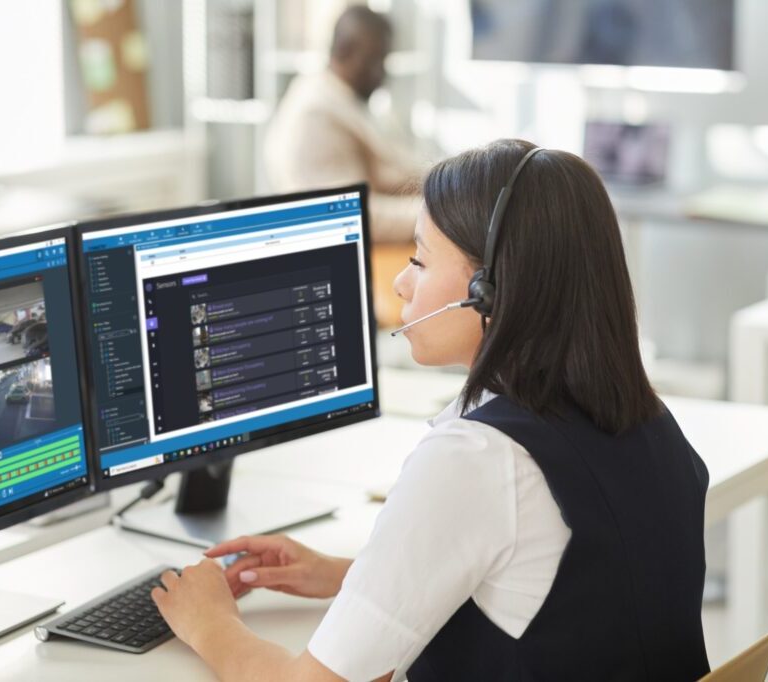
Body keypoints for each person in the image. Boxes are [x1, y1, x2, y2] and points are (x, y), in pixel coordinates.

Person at [150, 139, 711, 681]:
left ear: (487, 289)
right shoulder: (649, 421)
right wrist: (349, 579)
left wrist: (211, 622)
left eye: (419, 259)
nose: (399, 281)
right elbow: (563, 598)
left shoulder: (479, 459)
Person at [263, 6, 422, 243]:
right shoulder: (314, 114)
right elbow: (349, 215)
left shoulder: (344, 96)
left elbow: (393, 170)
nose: (382, 73)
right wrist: (441, 216)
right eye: (375, 60)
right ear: (343, 51)